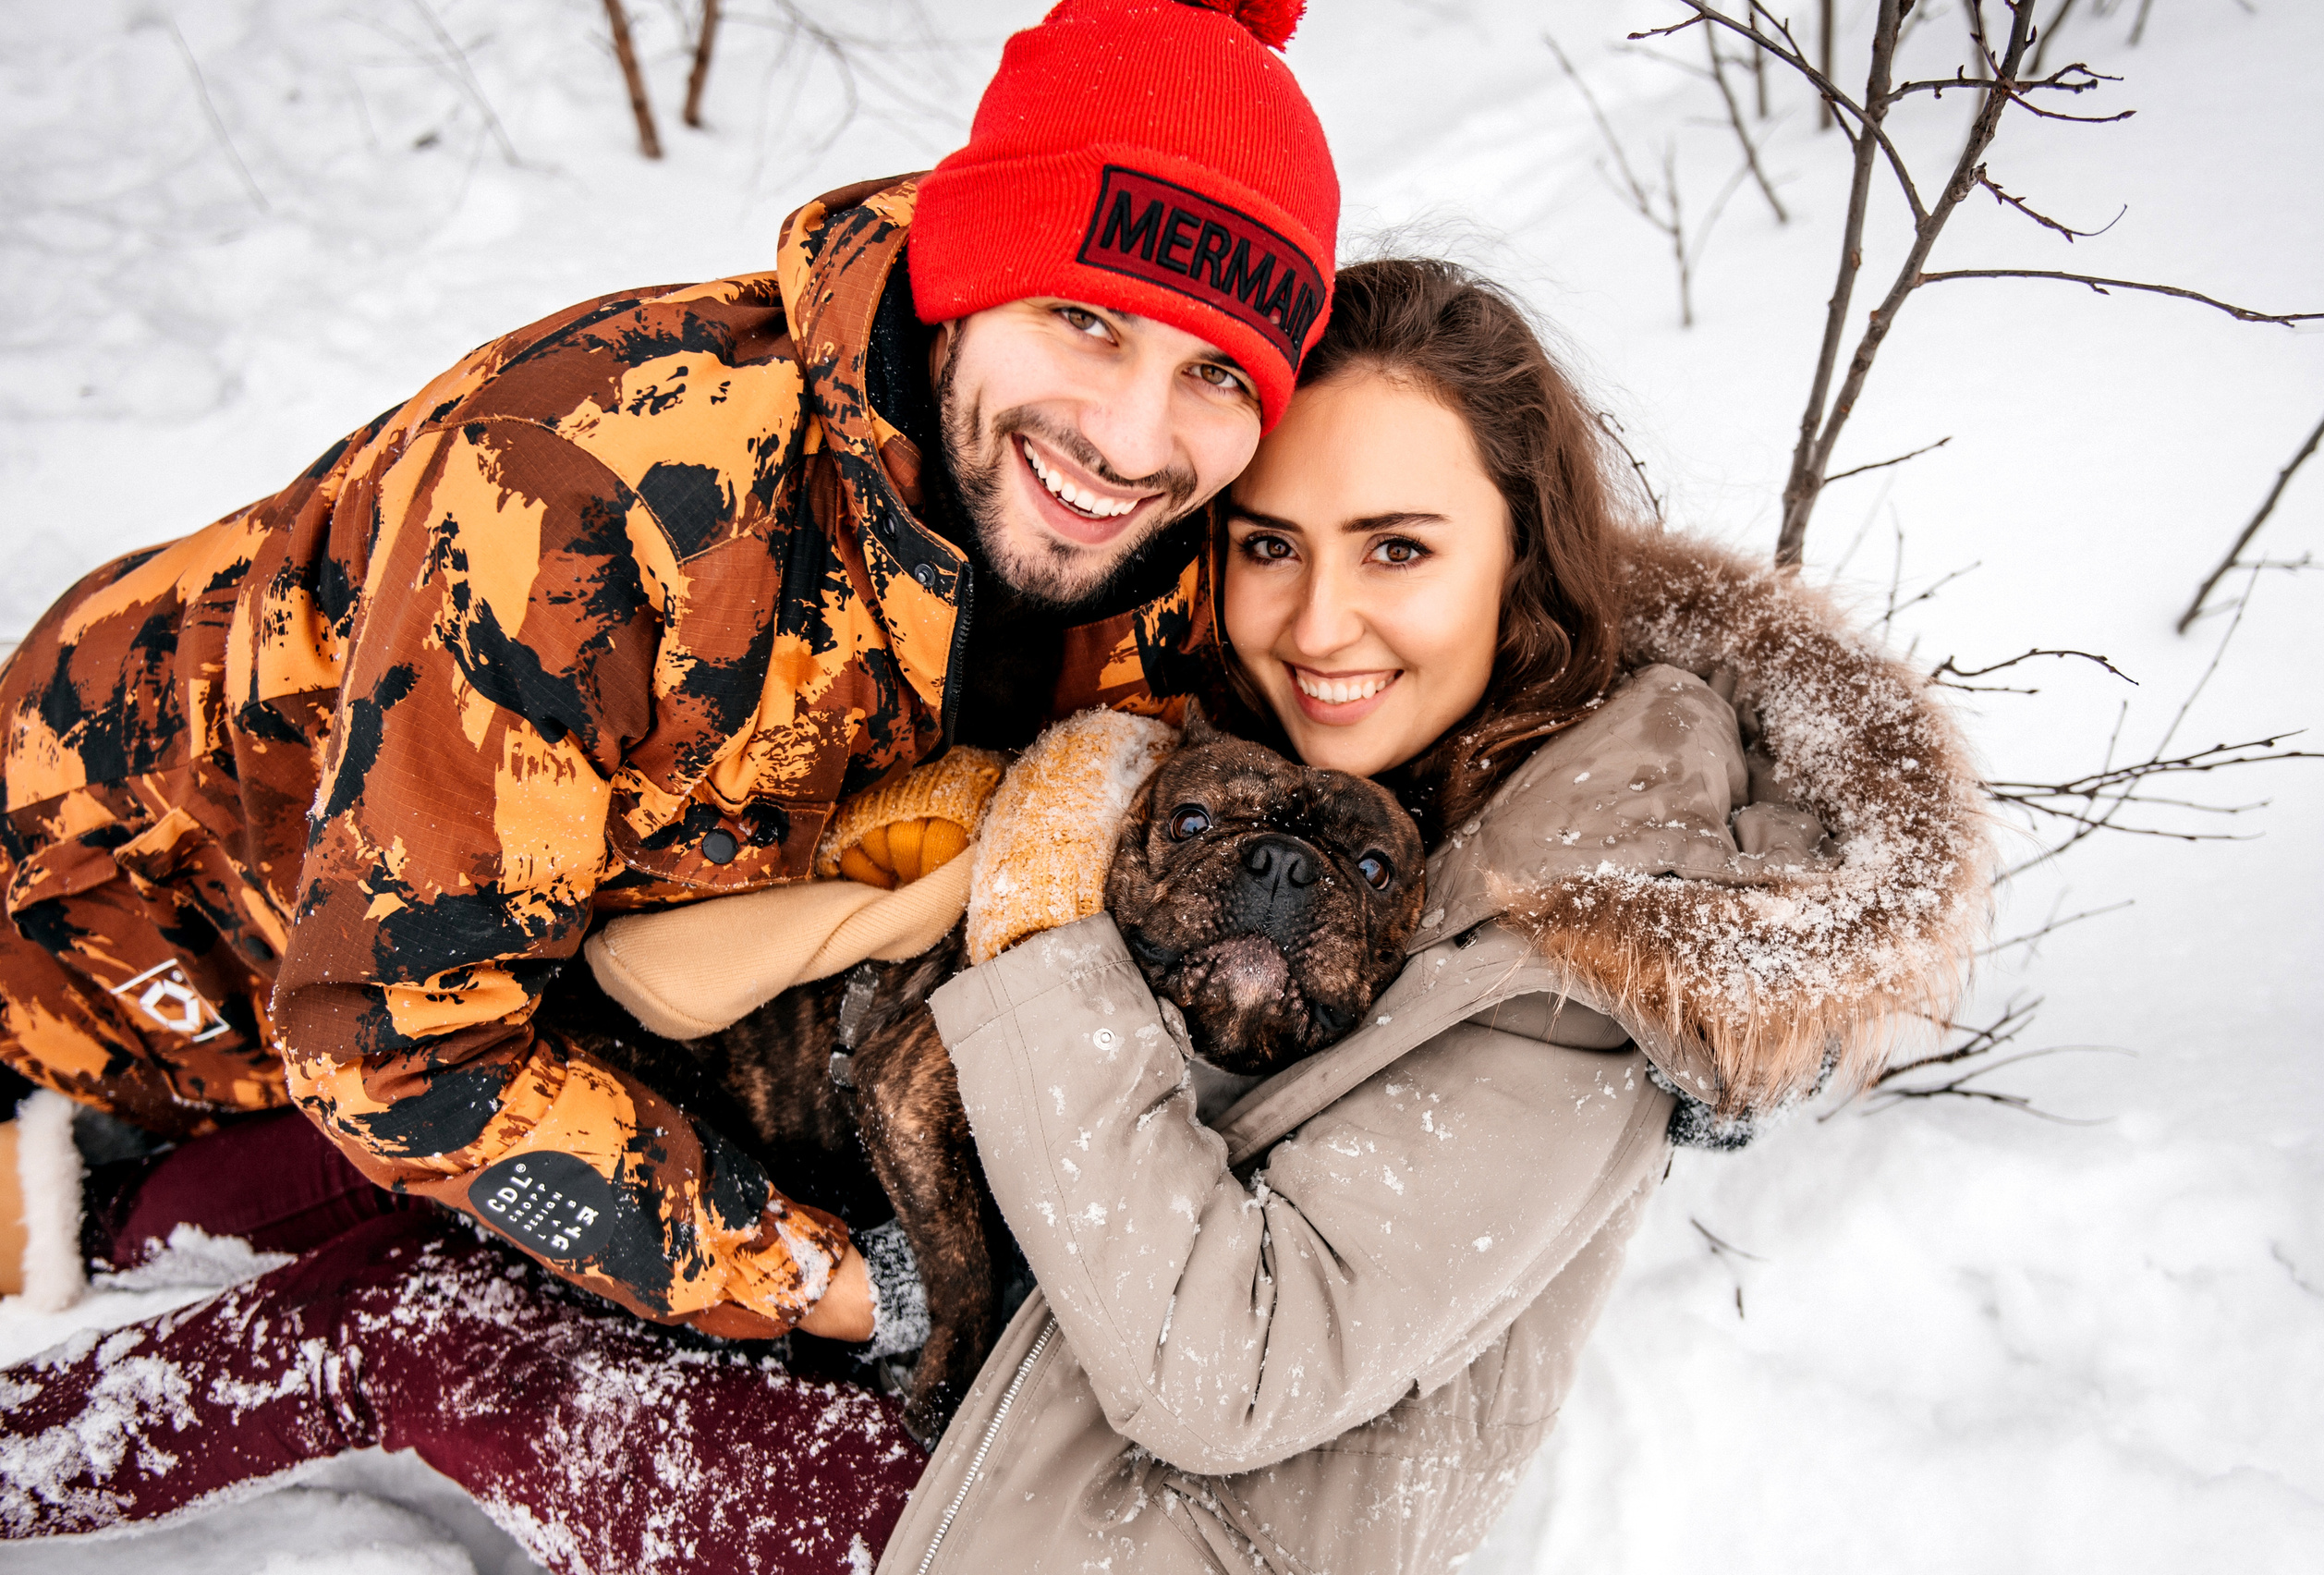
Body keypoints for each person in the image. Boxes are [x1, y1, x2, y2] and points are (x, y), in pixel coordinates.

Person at [1, 257, 1990, 1572]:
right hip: (971, 1341)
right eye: (1271, 546)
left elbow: (1219, 1371)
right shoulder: (1371, 741)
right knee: (391, 1173)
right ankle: (116, 1208)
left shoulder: (1585, 969)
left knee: (416, 1324)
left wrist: (1038, 944)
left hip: (1042, 1523)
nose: (1317, 623)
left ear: (1524, 558)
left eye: (1399, 547)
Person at [0, 0, 1335, 1349]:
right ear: (961, 278)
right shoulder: (584, 494)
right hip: (126, 951)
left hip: (533, 965)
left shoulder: (1171, 538)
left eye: (1218, 372)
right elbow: (396, 1047)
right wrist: (831, 1283)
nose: (1128, 438)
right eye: (1085, 322)